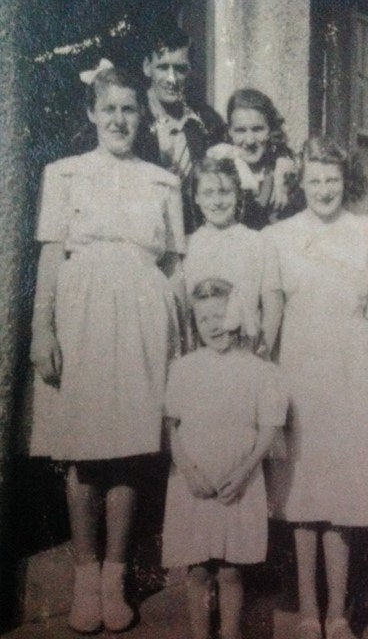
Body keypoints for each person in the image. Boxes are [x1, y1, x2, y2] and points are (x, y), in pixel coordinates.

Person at [29, 62, 185, 634]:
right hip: (82, 314)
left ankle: (116, 576)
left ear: (140, 117)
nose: (119, 119)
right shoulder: (64, 174)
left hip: (146, 318)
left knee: (129, 449)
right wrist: (42, 329)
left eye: (128, 109)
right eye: (109, 108)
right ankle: (85, 577)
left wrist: (181, 343)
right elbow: (49, 255)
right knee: (82, 450)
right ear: (92, 113)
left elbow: (175, 267)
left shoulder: (162, 181)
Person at [265, 135, 368, 639]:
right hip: (299, 371)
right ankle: (309, 612)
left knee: (342, 501)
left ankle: (338, 614)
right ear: (300, 182)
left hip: (349, 371)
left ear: (343, 181)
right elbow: (272, 315)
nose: (323, 189)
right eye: (314, 179)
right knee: (303, 496)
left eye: (332, 179)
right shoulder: (279, 236)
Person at [161, 278, 287, 639]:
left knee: (232, 570)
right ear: (194, 324)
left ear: (238, 315)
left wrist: (245, 472)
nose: (214, 325)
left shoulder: (259, 370)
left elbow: (268, 431)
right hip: (193, 483)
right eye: (204, 319)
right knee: (199, 570)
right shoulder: (184, 368)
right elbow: (172, 428)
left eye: (221, 315)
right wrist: (188, 470)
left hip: (240, 483)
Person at [183, 156, 282, 355]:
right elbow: (186, 312)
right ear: (196, 197)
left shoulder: (258, 242)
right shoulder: (188, 246)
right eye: (208, 193)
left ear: (237, 193)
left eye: (224, 192)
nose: (217, 202)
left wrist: (263, 356)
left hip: (247, 354)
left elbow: (273, 306)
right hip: (203, 356)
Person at [141, 26, 226, 234]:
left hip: (193, 235)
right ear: (147, 67)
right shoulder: (131, 117)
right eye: (163, 67)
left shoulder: (205, 120)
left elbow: (237, 153)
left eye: (180, 69)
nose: (172, 79)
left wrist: (280, 159)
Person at [208, 88, 303, 230]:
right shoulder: (220, 168)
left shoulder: (282, 172)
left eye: (258, 129)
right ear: (230, 132)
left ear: (270, 130)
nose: (250, 140)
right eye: (240, 130)